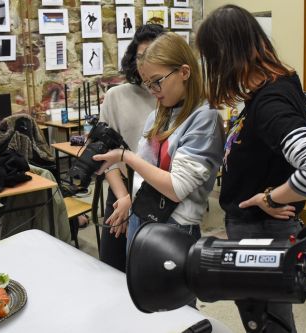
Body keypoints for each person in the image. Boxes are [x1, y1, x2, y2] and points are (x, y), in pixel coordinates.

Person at [196, 5, 306, 333]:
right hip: (255, 227)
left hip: (261, 230)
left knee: (265, 320)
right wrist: (278, 160)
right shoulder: (279, 83)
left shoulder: (269, 102)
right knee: (263, 316)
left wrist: (273, 197)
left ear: (224, 55)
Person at [94, 32, 225, 251]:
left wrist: (125, 157)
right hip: (142, 215)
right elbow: (143, 177)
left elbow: (176, 188)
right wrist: (128, 199)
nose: (153, 92)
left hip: (175, 228)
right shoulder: (158, 115)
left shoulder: (205, 118)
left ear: (184, 72)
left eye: (157, 82)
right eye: (148, 84)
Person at [96, 24, 165, 272]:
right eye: (140, 56)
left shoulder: (172, 97)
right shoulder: (117, 96)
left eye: (154, 55)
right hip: (122, 193)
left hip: (160, 197)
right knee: (112, 272)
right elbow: (108, 156)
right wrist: (124, 196)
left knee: (154, 276)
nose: (145, 63)